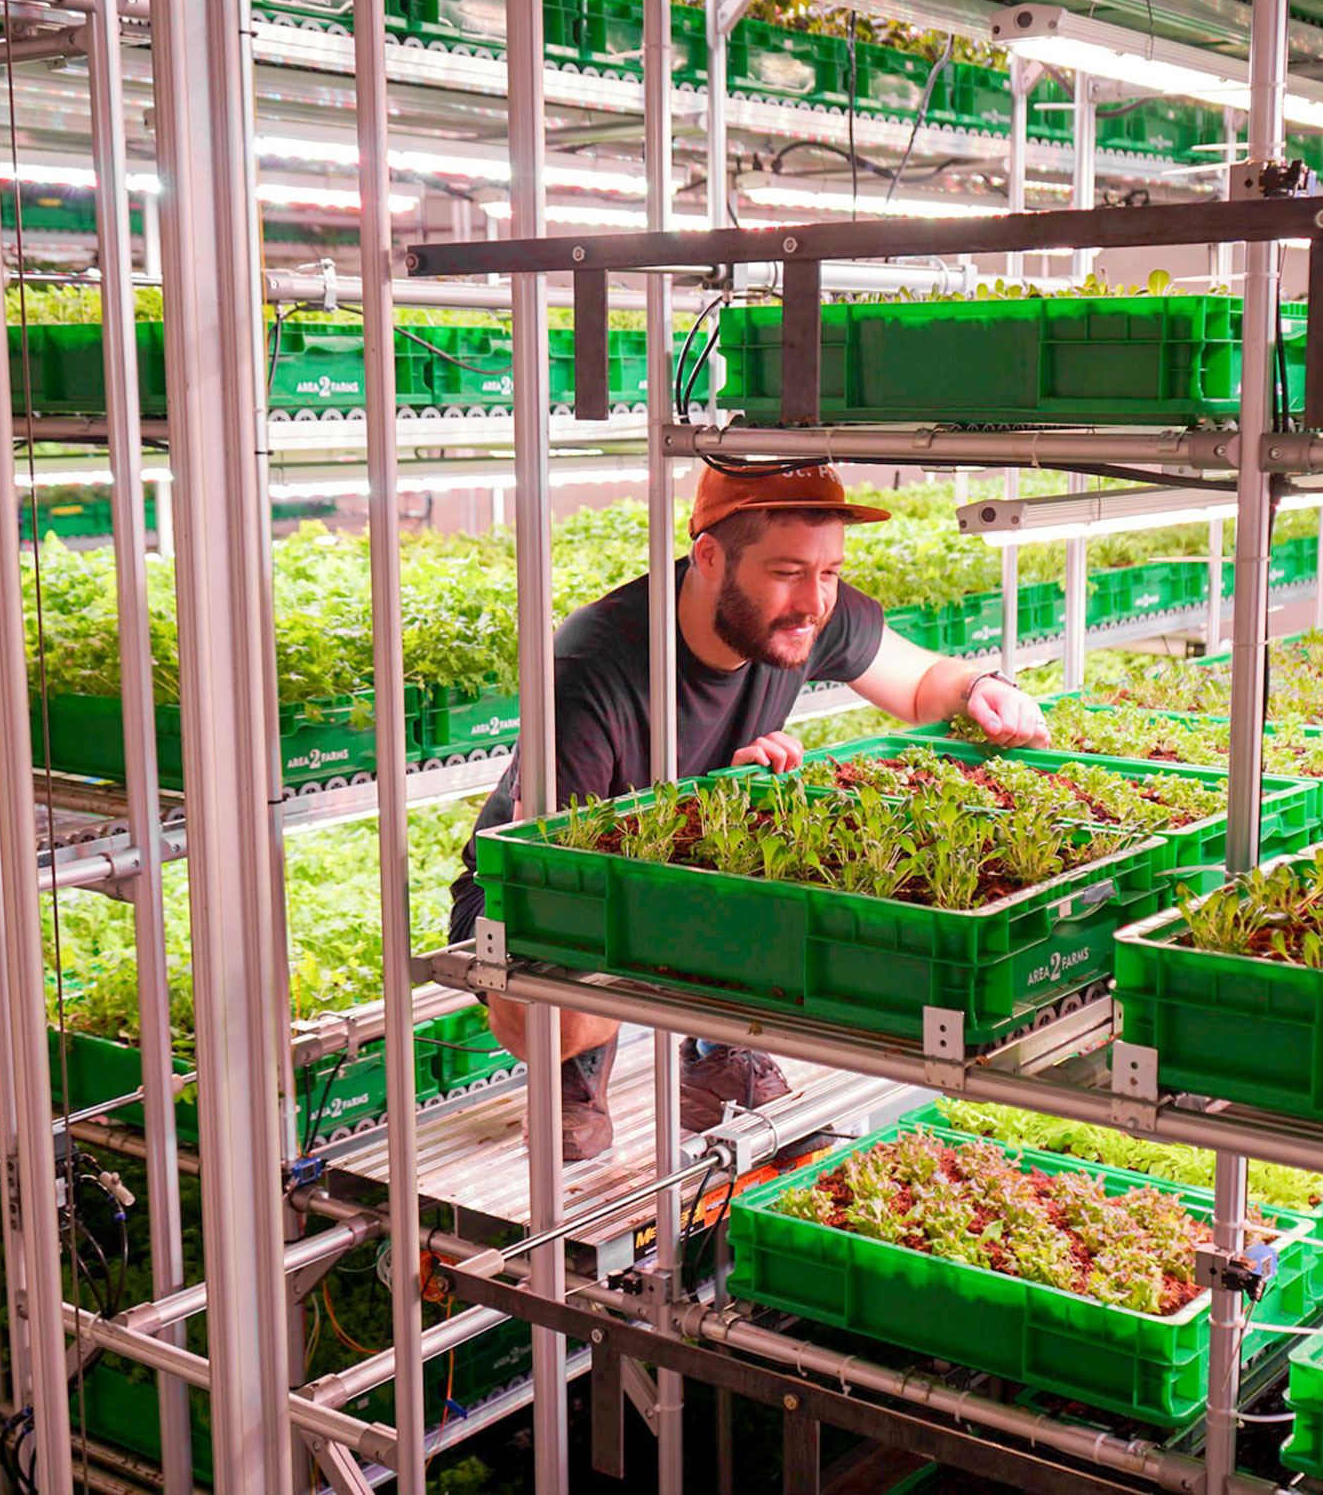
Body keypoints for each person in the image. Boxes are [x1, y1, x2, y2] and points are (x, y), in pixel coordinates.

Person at [450, 461, 1050, 1161]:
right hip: (536, 901)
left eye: (829, 573)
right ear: (708, 557)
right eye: (788, 571)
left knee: (777, 852)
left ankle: (716, 1057)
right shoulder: (593, 668)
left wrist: (984, 688)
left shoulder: (799, 614)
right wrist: (703, 826)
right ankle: (575, 1082)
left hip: (681, 873)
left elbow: (920, 681)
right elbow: (544, 895)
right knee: (565, 1027)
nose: (815, 601)